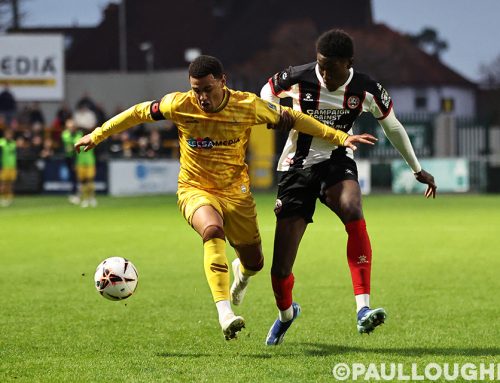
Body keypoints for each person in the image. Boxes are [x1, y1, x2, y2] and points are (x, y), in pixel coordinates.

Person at [75, 55, 377, 340]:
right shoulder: (179, 104)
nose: (202, 97)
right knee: (212, 231)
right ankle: (224, 313)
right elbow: (138, 113)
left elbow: (296, 118)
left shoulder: (247, 106)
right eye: (196, 90)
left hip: (237, 194)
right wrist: (98, 134)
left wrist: (340, 137)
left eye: (207, 89)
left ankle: (241, 275)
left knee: (255, 262)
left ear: (223, 81)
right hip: (195, 188)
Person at [259, 29, 437, 345]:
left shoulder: (366, 89)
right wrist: (276, 113)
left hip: (337, 160)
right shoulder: (299, 76)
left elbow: (393, 127)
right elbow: (267, 91)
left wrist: (417, 169)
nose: (324, 74)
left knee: (353, 210)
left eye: (331, 67)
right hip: (295, 169)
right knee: (281, 268)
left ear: (348, 63)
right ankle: (287, 313)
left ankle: (362, 309)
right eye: (320, 66)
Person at [61, 119, 80, 204]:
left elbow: (76, 143)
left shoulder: (78, 134)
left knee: (76, 175)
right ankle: (74, 193)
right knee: (72, 175)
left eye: (72, 126)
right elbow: (70, 142)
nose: (70, 128)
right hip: (68, 157)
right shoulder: (65, 134)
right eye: (69, 126)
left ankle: (76, 193)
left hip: (77, 157)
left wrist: (72, 146)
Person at [0, 129, 17, 207]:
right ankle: (2, 198)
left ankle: (9, 198)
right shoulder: (2, 142)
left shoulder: (13, 143)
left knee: (10, 184)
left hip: (12, 167)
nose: (9, 136)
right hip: (4, 167)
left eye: (10, 135)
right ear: (5, 135)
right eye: (7, 134)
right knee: (3, 183)